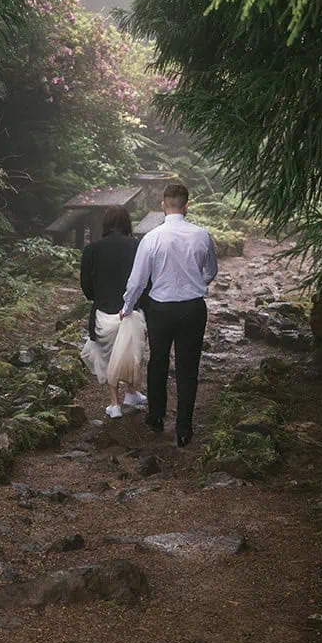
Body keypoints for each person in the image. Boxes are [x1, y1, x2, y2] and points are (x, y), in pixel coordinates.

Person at [120, 183, 218, 447]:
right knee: (188, 367)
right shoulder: (202, 235)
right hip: (193, 308)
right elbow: (211, 270)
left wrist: (127, 307)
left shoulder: (151, 238)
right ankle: (184, 428)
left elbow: (137, 280)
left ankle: (156, 417)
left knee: (158, 362)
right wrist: (196, 282)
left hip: (160, 308)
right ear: (187, 206)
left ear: (163, 206)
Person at [78, 205, 149, 418]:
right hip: (130, 312)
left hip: (103, 313)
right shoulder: (137, 246)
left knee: (110, 357)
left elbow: (86, 284)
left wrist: (98, 298)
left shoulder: (92, 249)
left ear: (106, 224)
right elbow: (144, 280)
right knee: (130, 354)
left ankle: (114, 404)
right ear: (127, 223)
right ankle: (132, 391)